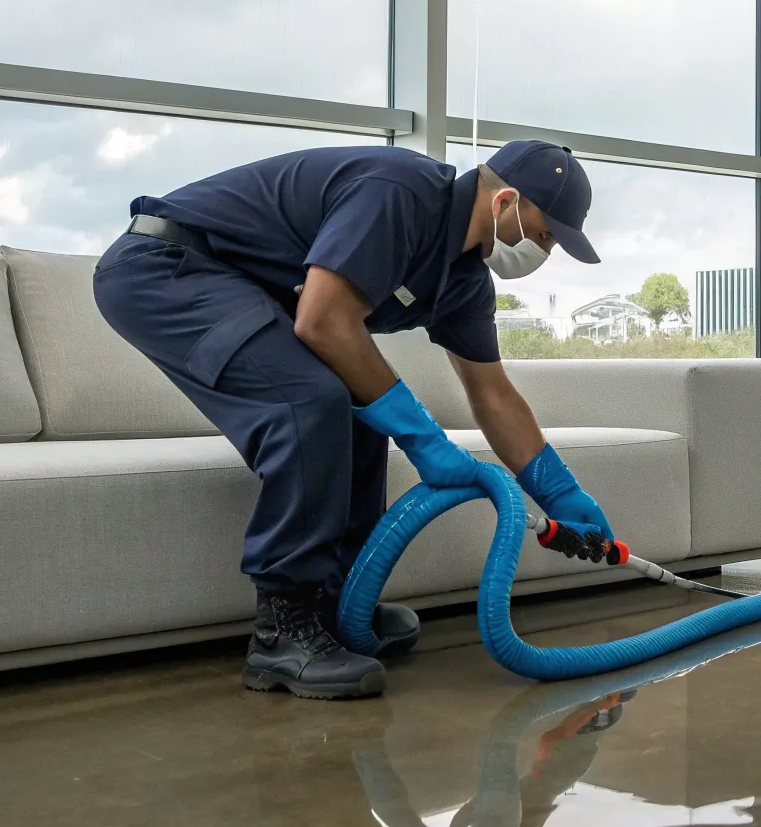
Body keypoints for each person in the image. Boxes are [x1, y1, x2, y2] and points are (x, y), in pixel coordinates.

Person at [94, 140, 614, 699]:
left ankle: (335, 607)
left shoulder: (463, 281)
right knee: (308, 402)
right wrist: (423, 438)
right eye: (546, 234)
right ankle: (282, 630)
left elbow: (494, 395)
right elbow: (322, 321)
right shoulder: (401, 193)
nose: (546, 250)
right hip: (167, 267)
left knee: (360, 410)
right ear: (506, 201)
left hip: (248, 288)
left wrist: (560, 493)